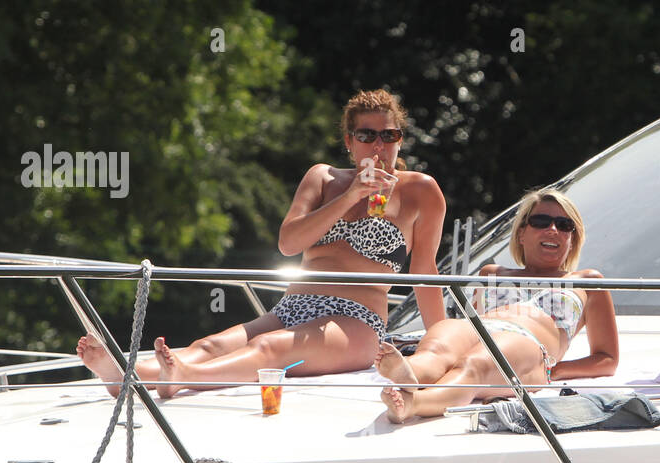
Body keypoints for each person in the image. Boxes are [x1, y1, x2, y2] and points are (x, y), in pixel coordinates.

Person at [77, 89, 447, 397]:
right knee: (211, 346)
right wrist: (351, 195)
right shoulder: (323, 178)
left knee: (268, 349)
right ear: (350, 142)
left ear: (400, 140)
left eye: (389, 135)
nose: (378, 146)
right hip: (294, 306)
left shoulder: (421, 191)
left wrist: (441, 348)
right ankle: (125, 374)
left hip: (356, 321)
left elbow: (425, 273)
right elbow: (289, 242)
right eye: (367, 136)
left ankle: (182, 376)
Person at [376, 189, 618, 422]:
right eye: (541, 221)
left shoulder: (586, 281)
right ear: (522, 233)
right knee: (437, 348)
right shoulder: (491, 273)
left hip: (528, 342)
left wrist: (556, 371)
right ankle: (409, 372)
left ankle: (415, 403)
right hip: (479, 327)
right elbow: (469, 337)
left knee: (477, 363)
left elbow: (607, 359)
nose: (553, 229)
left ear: (572, 238)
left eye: (564, 225)